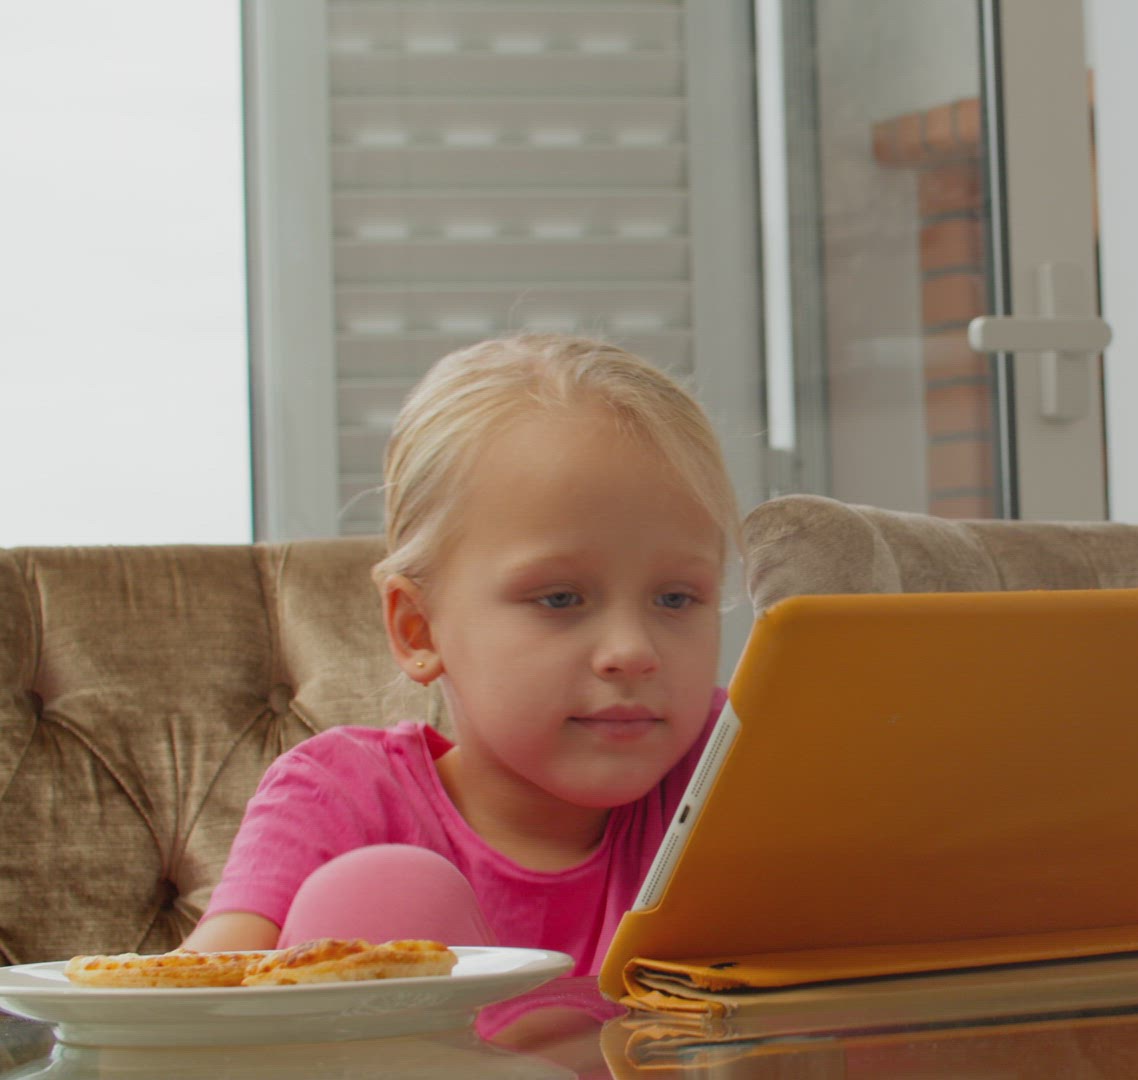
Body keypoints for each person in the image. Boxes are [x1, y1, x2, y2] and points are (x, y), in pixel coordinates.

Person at [182, 333, 738, 982]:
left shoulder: (731, 768)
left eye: (676, 598)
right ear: (419, 630)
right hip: (364, 1036)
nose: (632, 651)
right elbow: (189, 1006)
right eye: (560, 598)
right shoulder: (340, 798)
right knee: (384, 891)